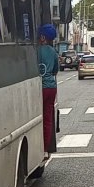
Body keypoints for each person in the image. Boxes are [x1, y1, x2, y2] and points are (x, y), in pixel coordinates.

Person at [38, 24, 59, 159]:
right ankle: (45, 149)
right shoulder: (53, 52)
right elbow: (56, 70)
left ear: (42, 37)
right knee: (48, 119)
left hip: (39, 87)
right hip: (51, 87)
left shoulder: (36, 51)